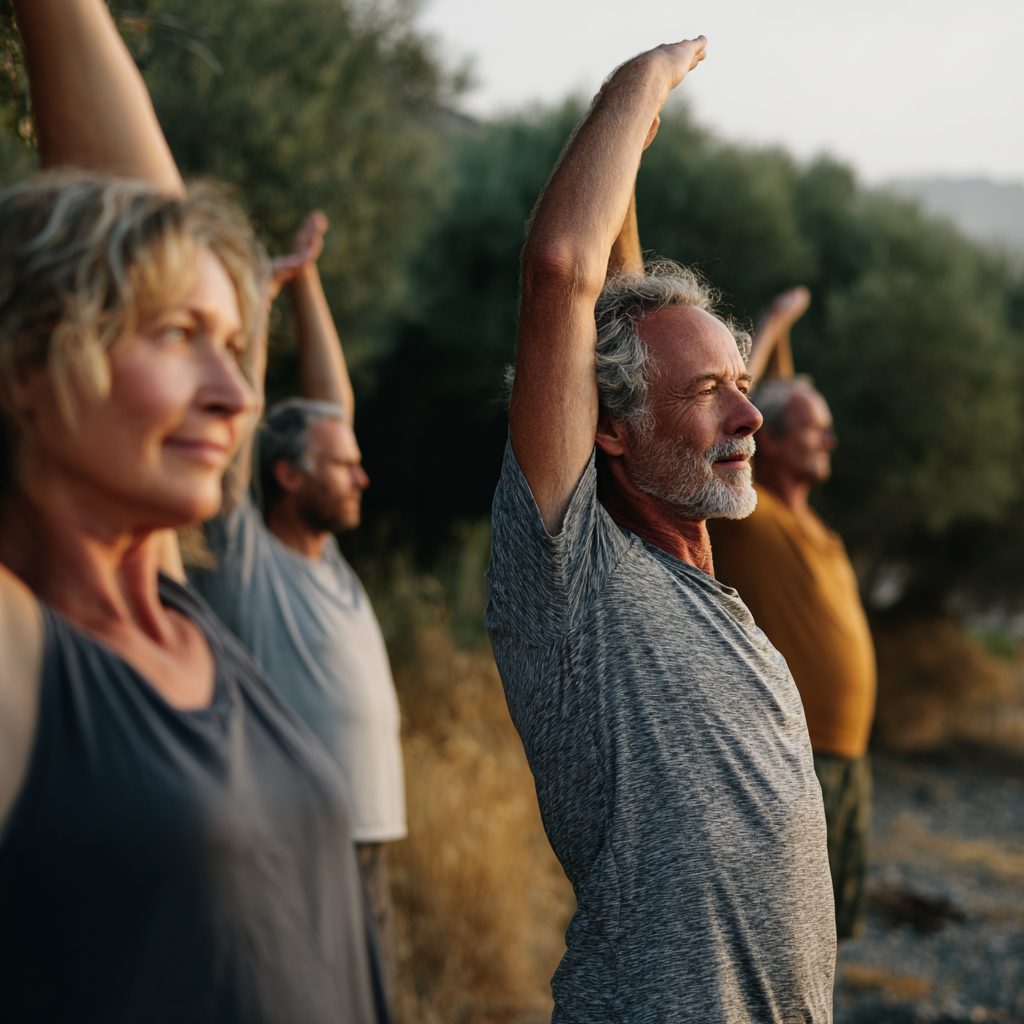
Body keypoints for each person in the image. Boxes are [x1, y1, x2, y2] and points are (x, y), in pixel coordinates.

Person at [0, 1, 390, 1020]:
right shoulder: (26, 656)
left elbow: (138, 209)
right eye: (179, 335)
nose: (233, 395)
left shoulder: (167, 607)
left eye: (233, 345)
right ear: (29, 365)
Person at [485, 36, 835, 1021]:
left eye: (742, 382)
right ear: (610, 426)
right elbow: (564, 271)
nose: (750, 416)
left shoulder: (698, 575)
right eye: (709, 392)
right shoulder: (573, 579)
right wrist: (643, 80)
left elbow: (616, 299)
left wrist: (632, 161)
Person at [189, 211, 407, 982]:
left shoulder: (330, 561)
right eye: (342, 467)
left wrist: (306, 281)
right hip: (292, 843)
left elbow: (331, 406)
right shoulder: (243, 558)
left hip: (366, 844)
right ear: (287, 475)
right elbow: (243, 420)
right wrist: (257, 304)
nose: (361, 477)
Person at [710, 289, 877, 940]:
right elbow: (738, 415)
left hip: (848, 760)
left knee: (827, 938)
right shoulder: (753, 518)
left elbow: (781, 403)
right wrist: (772, 325)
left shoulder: (811, 525)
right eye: (813, 428)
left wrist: (785, 348)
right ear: (770, 443)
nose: (829, 437)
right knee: (783, 935)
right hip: (796, 760)